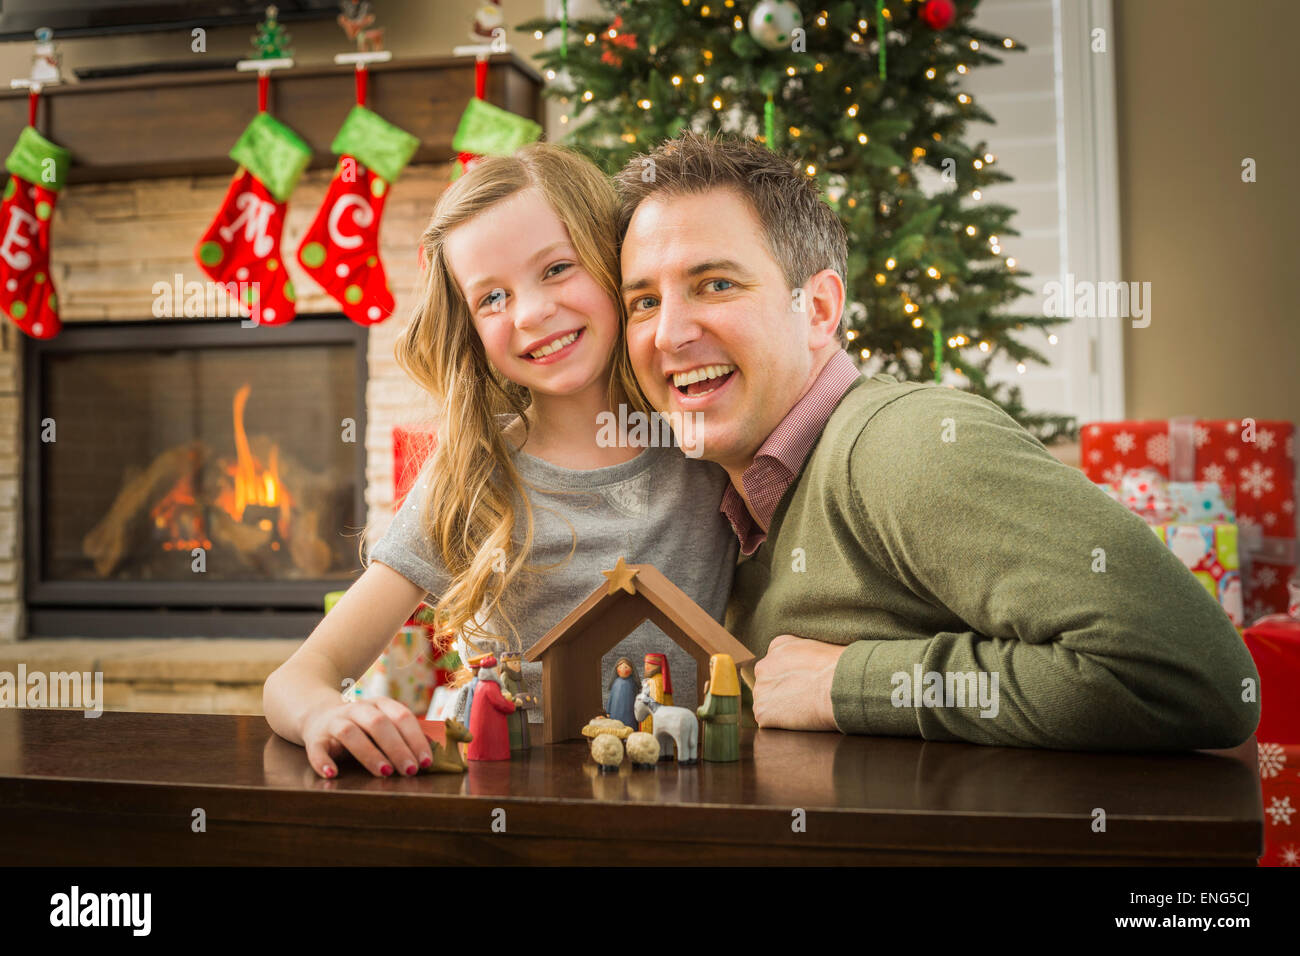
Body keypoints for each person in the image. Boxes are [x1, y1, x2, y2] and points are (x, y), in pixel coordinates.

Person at [613, 130, 1261, 751]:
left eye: (716, 284)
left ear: (816, 310)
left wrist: (850, 685)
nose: (668, 334)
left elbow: (1194, 676)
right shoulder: (726, 506)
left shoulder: (907, 447)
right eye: (643, 302)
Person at [263, 142, 738, 778]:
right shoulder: (474, 474)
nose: (532, 313)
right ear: (469, 326)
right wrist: (323, 713)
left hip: (681, 802)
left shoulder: (708, 442)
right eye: (492, 298)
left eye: (556, 269)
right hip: (513, 807)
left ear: (611, 259)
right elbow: (298, 678)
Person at [466, 656, 515, 762]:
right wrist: (512, 705)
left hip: (483, 725)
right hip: (490, 726)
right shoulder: (490, 686)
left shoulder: (480, 684)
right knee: (490, 744)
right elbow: (500, 703)